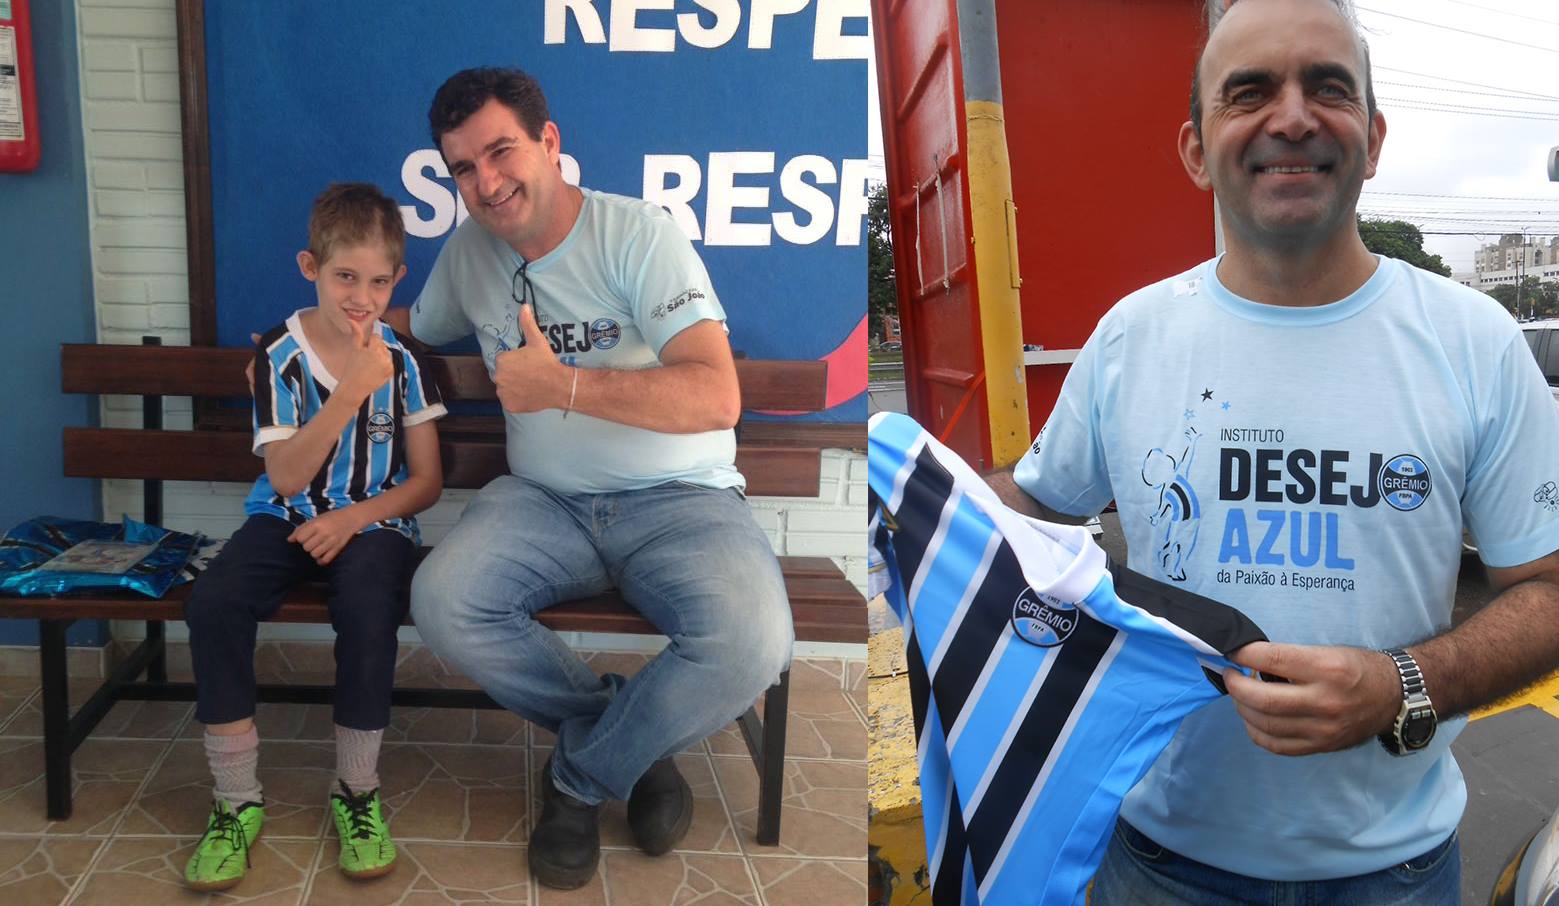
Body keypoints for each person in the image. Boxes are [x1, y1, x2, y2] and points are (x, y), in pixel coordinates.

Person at [985, 0, 1559, 902]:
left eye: (1326, 88)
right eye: (1248, 92)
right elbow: (1028, 512)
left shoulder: (1474, 341)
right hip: (1155, 864)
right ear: (1193, 148)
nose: (1291, 116)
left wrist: (1402, 684)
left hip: (1394, 874)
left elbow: (1549, 591)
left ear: (1370, 140)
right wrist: (913, 496)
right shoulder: (1132, 337)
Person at [383, 67, 793, 890]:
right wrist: (331, 323)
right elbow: (415, 326)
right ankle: (632, 749)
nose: (486, 182)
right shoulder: (468, 253)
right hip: (544, 502)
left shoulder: (638, 234)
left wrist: (565, 385)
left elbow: (717, 395)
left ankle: (577, 781)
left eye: (501, 151)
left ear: (549, 143)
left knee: (752, 640)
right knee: (443, 599)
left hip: (682, 501)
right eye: (463, 168)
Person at [183, 183, 446, 891]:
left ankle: (356, 792)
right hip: (286, 516)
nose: (361, 297)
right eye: (344, 277)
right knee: (213, 604)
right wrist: (352, 392)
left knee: (367, 605)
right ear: (311, 268)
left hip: (373, 520)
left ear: (398, 280)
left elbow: (425, 483)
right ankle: (235, 800)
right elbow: (289, 476)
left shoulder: (407, 360)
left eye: (379, 281)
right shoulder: (278, 354)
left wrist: (354, 518)